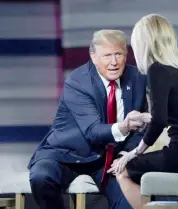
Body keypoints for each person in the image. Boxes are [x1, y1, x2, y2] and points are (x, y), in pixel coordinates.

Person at [28, 29, 151, 209]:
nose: (114, 62)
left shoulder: (138, 78)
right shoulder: (78, 82)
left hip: (107, 159)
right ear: (93, 57)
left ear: (126, 54)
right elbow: (93, 131)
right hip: (66, 153)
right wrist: (125, 126)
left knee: (127, 203)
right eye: (107, 55)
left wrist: (126, 155)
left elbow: (144, 127)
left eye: (118, 54)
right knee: (41, 178)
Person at [108, 14, 178, 209]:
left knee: (123, 170)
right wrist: (145, 117)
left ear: (145, 43)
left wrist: (133, 153)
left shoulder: (157, 70)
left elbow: (160, 121)